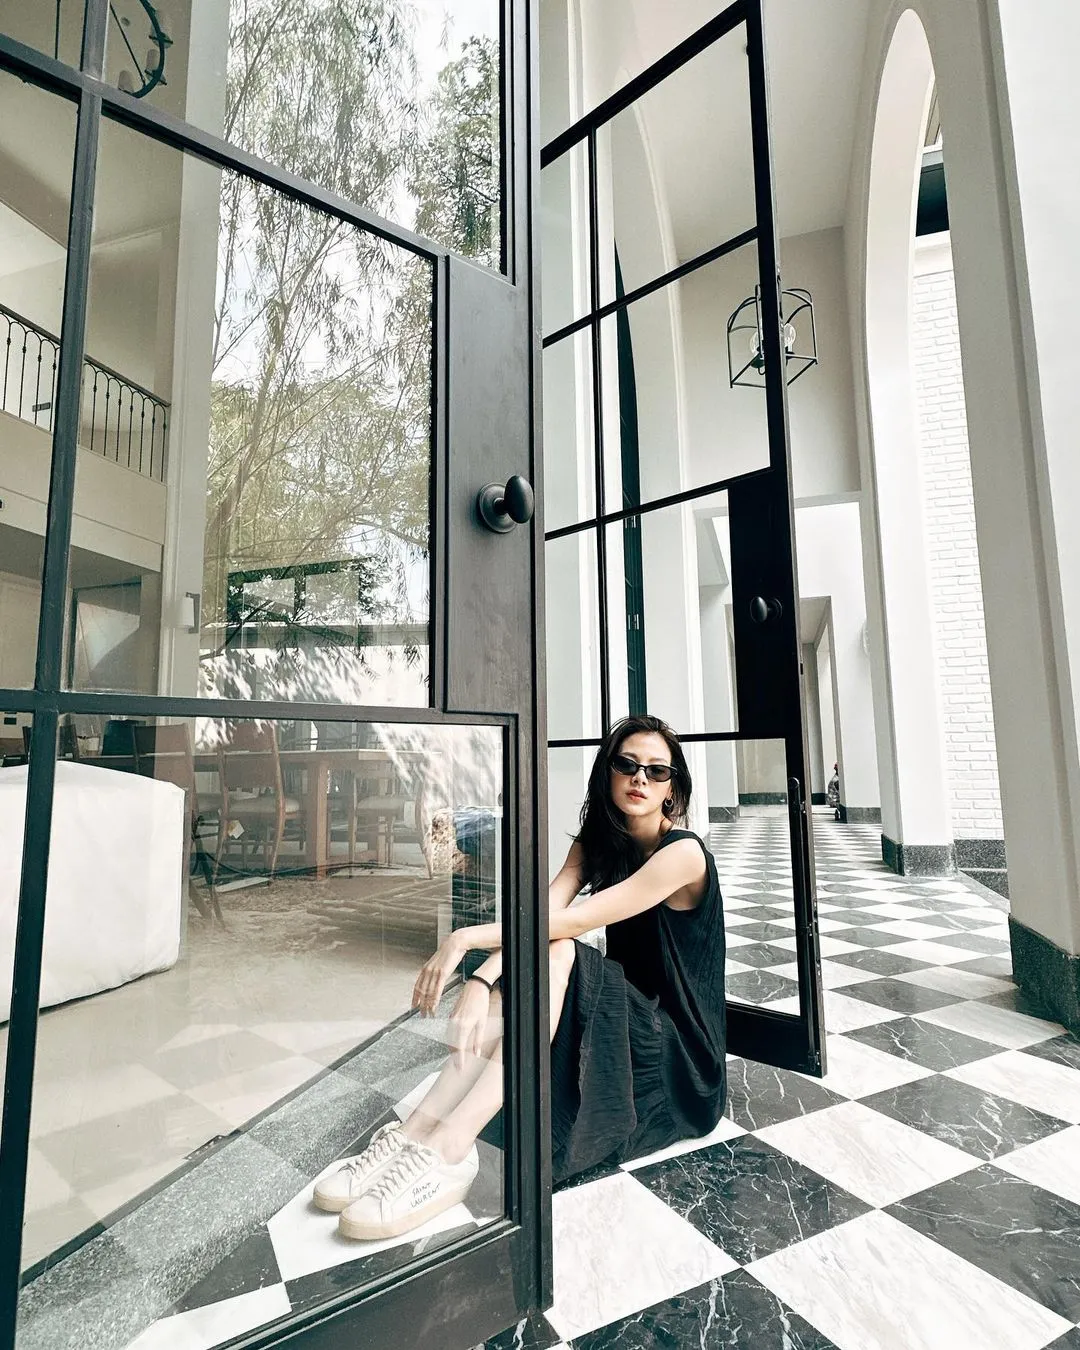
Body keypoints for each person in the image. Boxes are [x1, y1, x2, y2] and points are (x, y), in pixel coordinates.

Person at [312, 714, 727, 1241]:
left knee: (559, 951)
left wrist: (464, 939)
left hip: (678, 1060)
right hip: (627, 1025)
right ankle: (415, 1133)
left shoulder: (684, 854)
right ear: (608, 772)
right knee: (541, 957)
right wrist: (484, 980)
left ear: (672, 788)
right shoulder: (597, 843)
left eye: (657, 770)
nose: (640, 778)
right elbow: (543, 911)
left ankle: (450, 1149)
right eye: (627, 765)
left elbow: (573, 922)